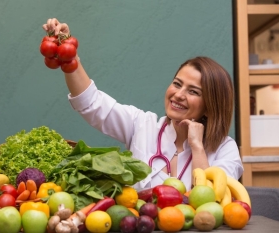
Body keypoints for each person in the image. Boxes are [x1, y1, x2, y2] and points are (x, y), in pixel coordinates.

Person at [43, 18, 244, 191]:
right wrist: (67, 53)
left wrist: (197, 147)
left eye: (193, 92)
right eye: (177, 84)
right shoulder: (142, 125)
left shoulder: (225, 149)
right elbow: (91, 103)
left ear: (210, 105)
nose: (179, 95)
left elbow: (212, 203)